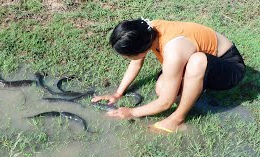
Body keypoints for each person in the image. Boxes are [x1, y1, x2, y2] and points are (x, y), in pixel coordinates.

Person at [91, 18, 245, 133]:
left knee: (196, 62)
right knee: (161, 87)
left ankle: (177, 119)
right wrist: (118, 93)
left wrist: (132, 112)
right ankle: (195, 92)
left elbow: (166, 102)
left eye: (127, 56)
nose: (127, 59)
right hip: (206, 63)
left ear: (141, 50)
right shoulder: (146, 31)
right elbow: (136, 62)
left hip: (229, 67)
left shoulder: (173, 50)